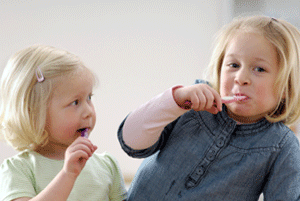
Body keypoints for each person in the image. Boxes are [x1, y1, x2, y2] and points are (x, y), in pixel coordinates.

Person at [117, 15, 300, 200]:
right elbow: (131, 142)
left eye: (259, 69)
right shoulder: (188, 105)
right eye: (233, 65)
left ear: (286, 87)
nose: (240, 77)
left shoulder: (282, 146)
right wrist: (175, 100)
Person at [0, 45, 127, 201]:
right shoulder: (18, 169)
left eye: (89, 98)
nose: (88, 111)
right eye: (75, 102)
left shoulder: (107, 166)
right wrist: (67, 175)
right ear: (35, 114)